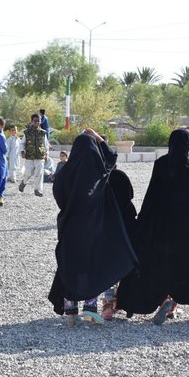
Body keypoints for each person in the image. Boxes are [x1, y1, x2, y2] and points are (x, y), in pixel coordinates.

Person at [116, 129, 189, 325]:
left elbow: (152, 193)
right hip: (182, 228)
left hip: (158, 224)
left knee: (157, 263)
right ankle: (172, 303)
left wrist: (143, 220)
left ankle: (163, 299)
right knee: (179, 264)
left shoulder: (160, 163)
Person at [48, 129, 138, 326]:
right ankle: (90, 308)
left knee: (70, 263)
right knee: (94, 264)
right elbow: (112, 157)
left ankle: (71, 312)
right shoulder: (98, 175)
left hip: (69, 225)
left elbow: (58, 194)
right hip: (93, 228)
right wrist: (96, 137)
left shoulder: (65, 175)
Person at [101, 168, 138, 321]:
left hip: (109, 249)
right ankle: (127, 302)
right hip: (128, 252)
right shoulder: (129, 209)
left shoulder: (105, 209)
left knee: (107, 271)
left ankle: (108, 304)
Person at [18, 114, 48, 197]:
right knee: (28, 173)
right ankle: (23, 183)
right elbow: (22, 143)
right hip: (29, 156)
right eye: (35, 121)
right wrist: (22, 151)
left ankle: (37, 190)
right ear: (31, 121)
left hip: (40, 156)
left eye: (38, 121)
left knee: (39, 174)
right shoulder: (27, 133)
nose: (37, 122)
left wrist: (46, 155)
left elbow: (45, 145)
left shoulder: (43, 133)